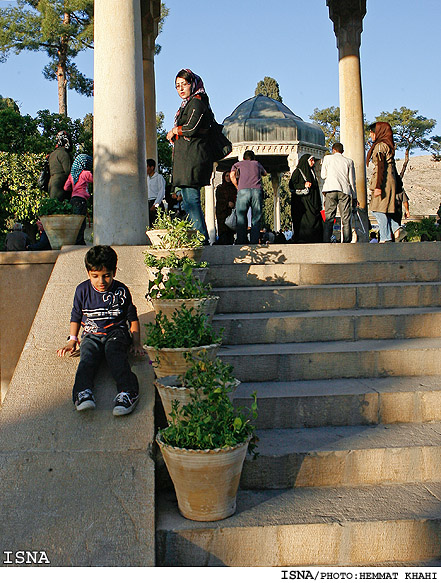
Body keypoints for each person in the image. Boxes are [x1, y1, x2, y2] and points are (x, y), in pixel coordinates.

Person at [57, 246, 144, 416]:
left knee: (116, 357)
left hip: (116, 333)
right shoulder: (82, 291)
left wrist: (136, 343)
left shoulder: (121, 291)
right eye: (95, 276)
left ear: (114, 272)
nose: (101, 281)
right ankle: (83, 393)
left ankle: (128, 392)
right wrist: (72, 339)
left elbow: (132, 318)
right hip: (91, 335)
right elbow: (76, 315)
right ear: (88, 273)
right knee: (86, 360)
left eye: (106, 276)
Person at [167, 69, 215, 244]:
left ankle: (201, 239)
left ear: (192, 84)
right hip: (187, 159)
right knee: (187, 201)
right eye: (177, 86)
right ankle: (197, 237)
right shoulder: (188, 104)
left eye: (184, 84)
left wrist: (174, 131)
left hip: (193, 159)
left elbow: (191, 127)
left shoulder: (197, 102)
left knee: (192, 200)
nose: (180, 89)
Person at [366, 121, 401, 243]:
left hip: (383, 181)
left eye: (371, 132)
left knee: (377, 209)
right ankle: (396, 228)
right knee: (383, 209)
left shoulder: (380, 146)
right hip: (389, 180)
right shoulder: (388, 145)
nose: (370, 135)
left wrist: (378, 186)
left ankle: (386, 237)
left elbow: (381, 166)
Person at [321, 143, 357, 243]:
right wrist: (354, 197)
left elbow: (323, 175)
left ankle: (326, 240)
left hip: (331, 189)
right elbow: (352, 181)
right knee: (345, 218)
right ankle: (346, 241)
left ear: (333, 150)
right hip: (344, 190)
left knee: (329, 217)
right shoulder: (349, 161)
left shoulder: (327, 159)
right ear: (342, 151)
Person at [230, 150, 267, 244]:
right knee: (256, 217)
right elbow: (265, 173)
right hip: (256, 191)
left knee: (241, 217)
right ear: (253, 158)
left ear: (243, 158)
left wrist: (237, 186)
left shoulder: (238, 164)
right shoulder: (257, 163)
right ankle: (254, 241)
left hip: (243, 191)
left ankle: (241, 240)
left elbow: (232, 175)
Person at [289, 154, 323, 243]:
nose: (313, 162)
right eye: (311, 160)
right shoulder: (298, 172)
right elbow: (292, 185)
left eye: (313, 160)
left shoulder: (312, 172)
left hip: (312, 202)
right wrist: (303, 185)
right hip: (303, 203)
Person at [64, 154, 93, 245]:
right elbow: (97, 180)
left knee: (75, 222)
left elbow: (66, 187)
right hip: (81, 200)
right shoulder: (85, 173)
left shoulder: (72, 175)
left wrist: (74, 188)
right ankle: (79, 242)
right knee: (81, 222)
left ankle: (75, 240)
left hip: (73, 199)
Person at [48, 130, 73, 201]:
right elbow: (69, 171)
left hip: (51, 184)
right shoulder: (64, 154)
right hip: (61, 185)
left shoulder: (52, 154)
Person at [215, 171, 237, 245]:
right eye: (226, 176)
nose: (228, 178)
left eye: (229, 176)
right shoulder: (220, 188)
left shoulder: (234, 188)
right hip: (222, 213)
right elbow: (219, 199)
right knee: (223, 233)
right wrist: (227, 204)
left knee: (230, 233)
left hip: (231, 213)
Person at [147, 158, 166, 226]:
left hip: (156, 202)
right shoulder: (147, 178)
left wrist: (155, 204)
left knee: (157, 223)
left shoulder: (159, 177)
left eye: (147, 167)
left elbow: (161, 192)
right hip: (148, 202)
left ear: (152, 167)